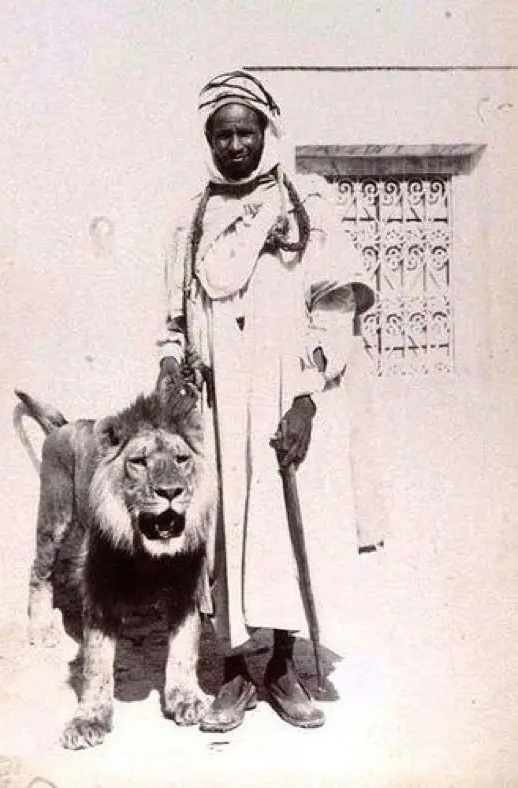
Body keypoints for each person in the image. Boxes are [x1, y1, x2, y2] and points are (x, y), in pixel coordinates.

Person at [156, 70, 386, 733]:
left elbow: (335, 307)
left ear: (266, 132)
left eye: (245, 131)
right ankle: (231, 673)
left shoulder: (303, 206)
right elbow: (170, 319)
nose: (234, 145)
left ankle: (282, 668)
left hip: (288, 389)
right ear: (208, 140)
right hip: (217, 402)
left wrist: (307, 403)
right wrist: (173, 368)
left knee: (285, 529)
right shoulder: (190, 220)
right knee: (219, 529)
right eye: (221, 134)